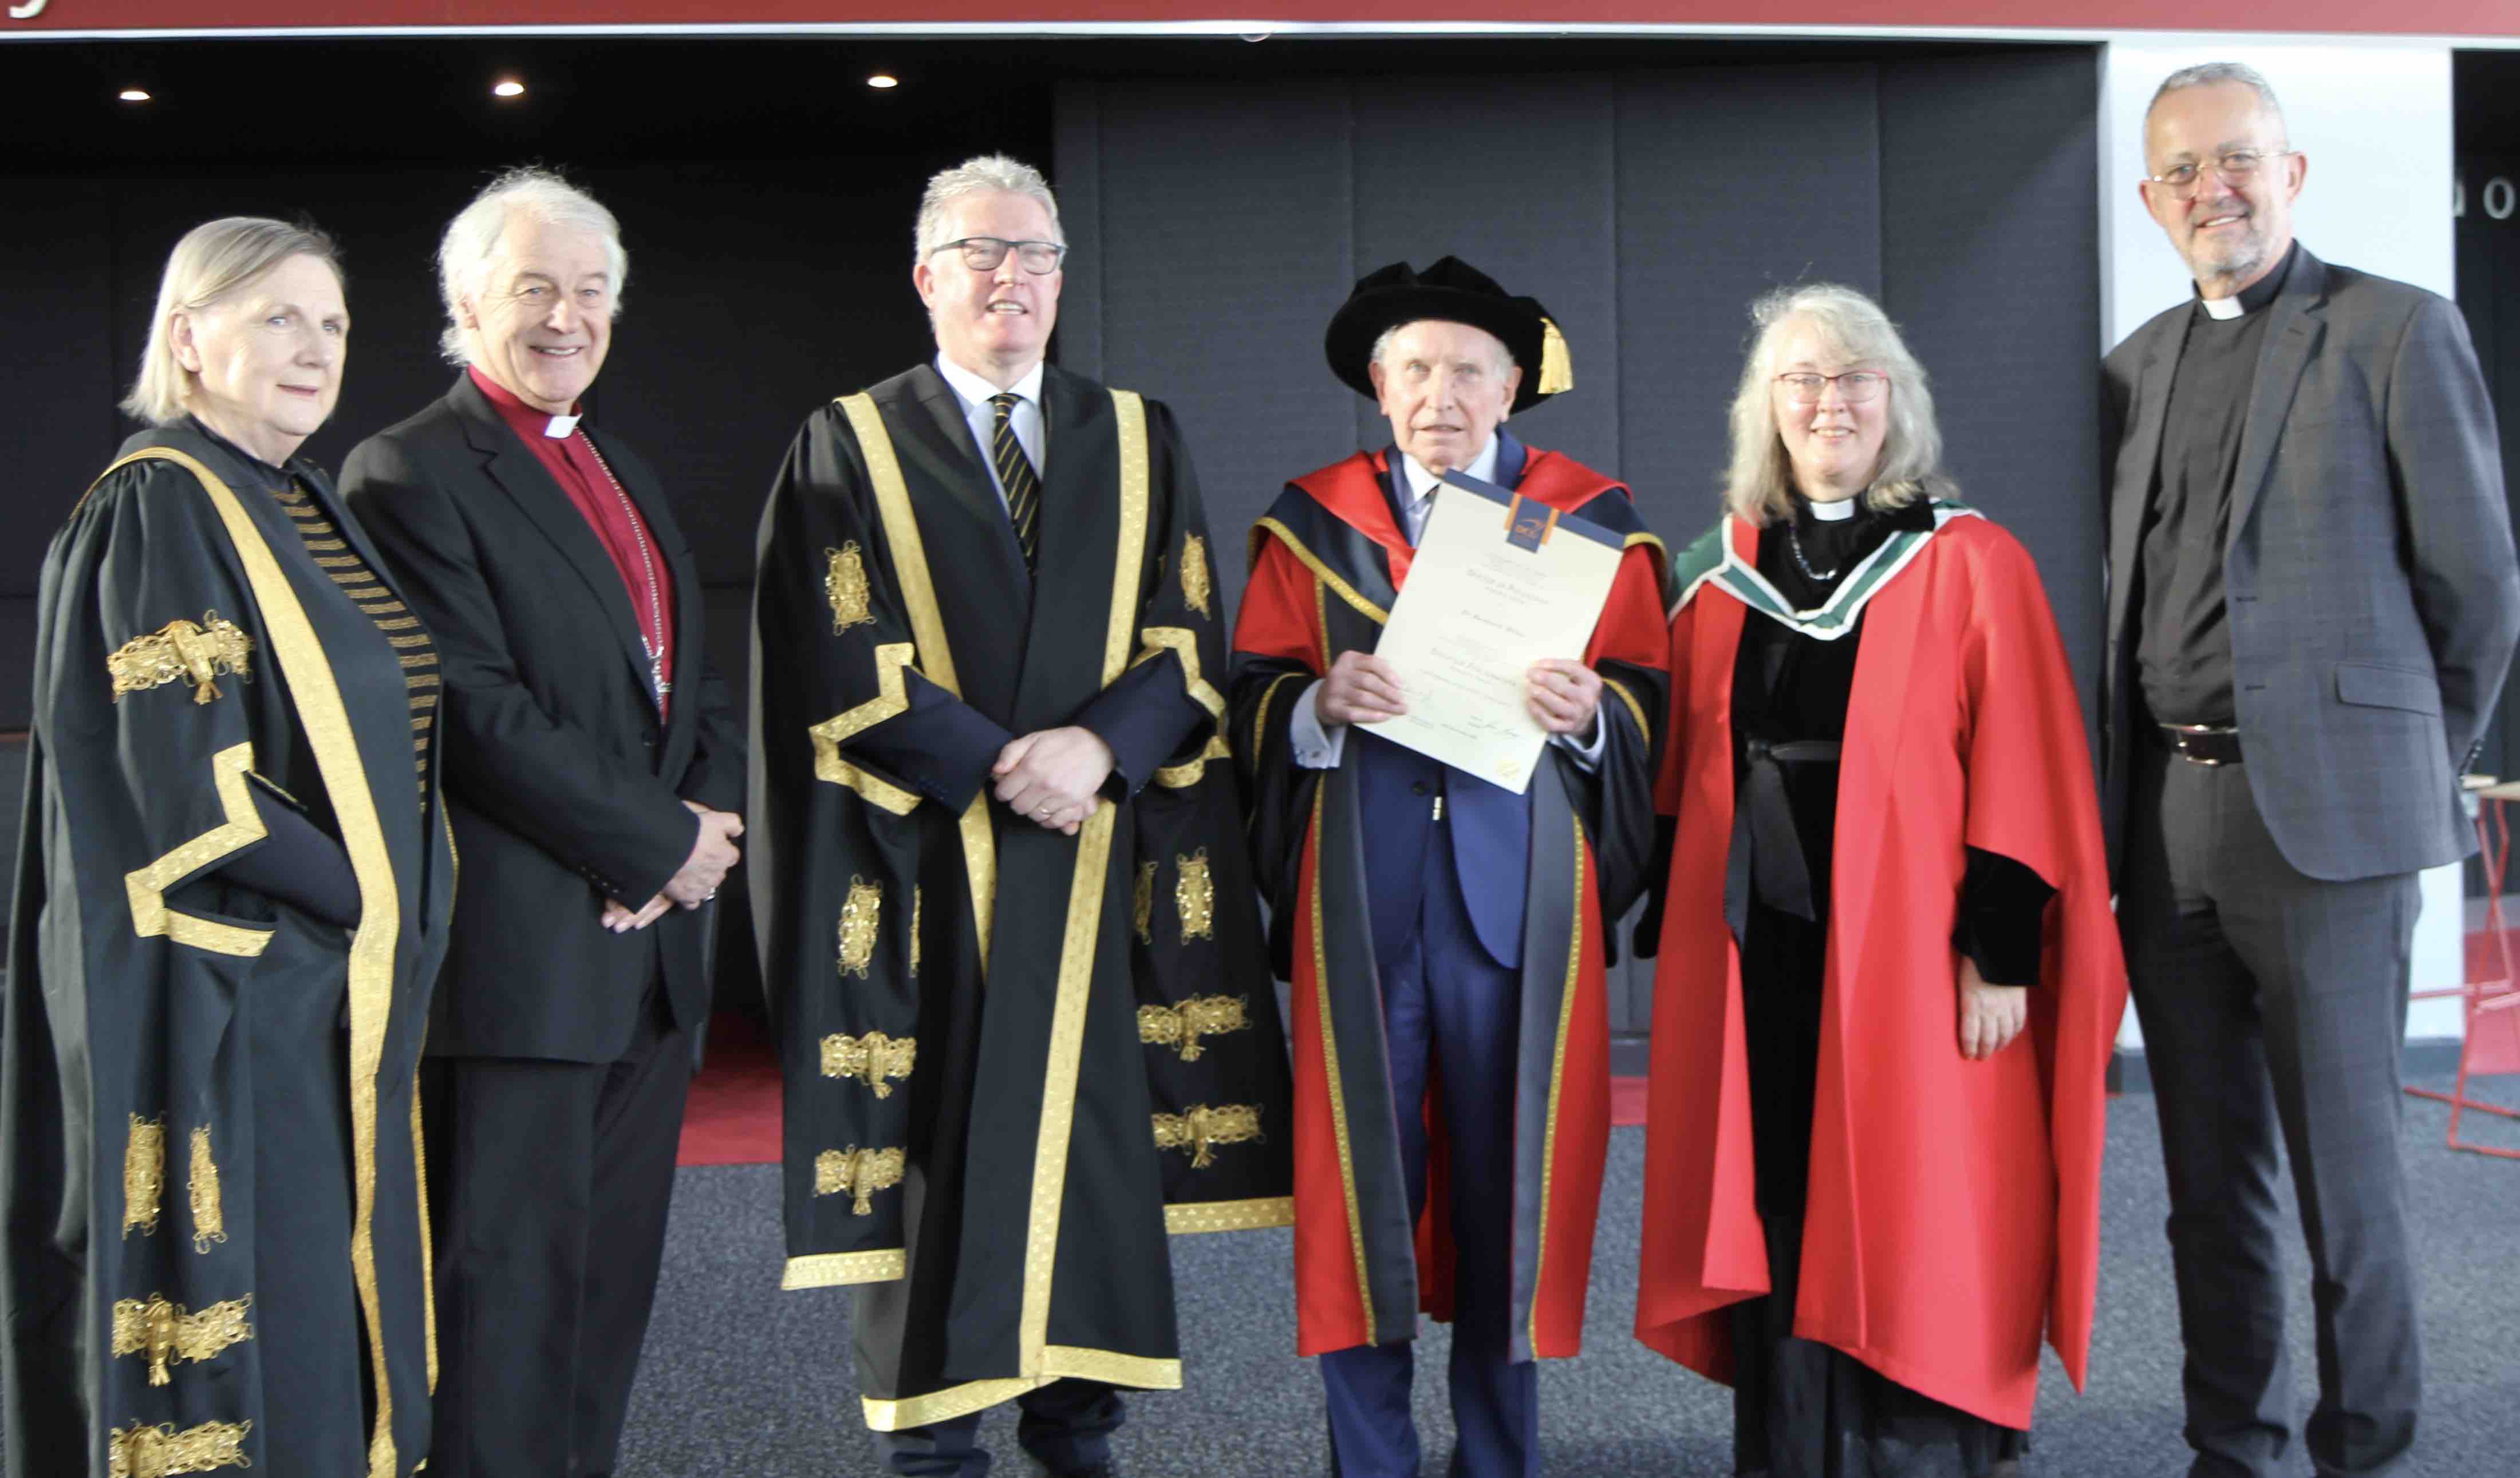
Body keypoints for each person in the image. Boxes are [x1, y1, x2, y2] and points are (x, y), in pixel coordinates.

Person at [750, 154, 1290, 1478]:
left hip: (1102, 858)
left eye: (1037, 254)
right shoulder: (848, 439)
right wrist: (1008, 765)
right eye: (985, 253)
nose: (1014, 278)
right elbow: (836, 644)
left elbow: (1187, 630)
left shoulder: (1134, 430)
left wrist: (1096, 751)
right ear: (928, 276)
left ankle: (1077, 1425)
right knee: (939, 1146)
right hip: (934, 863)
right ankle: (934, 1438)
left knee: (1096, 1143)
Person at [2101, 64, 2520, 1478]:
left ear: (2290, 174)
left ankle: (2370, 1456)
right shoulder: (2133, 364)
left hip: (2324, 828)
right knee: (2204, 1191)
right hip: (2163, 817)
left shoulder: (2396, 331)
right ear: (2147, 199)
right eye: (2179, 171)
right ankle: (2236, 1451)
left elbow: (2476, 590)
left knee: (2350, 1191)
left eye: (2235, 161)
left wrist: (2399, 760)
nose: (2208, 189)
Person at [1633, 284, 2125, 1477]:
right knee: (1782, 1184)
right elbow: (1673, 764)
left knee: (1916, 1186)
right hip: (1761, 947)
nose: (1826, 401)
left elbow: (2022, 762)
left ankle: (1914, 1444)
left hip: (1911, 946)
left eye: (1853, 377)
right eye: (1799, 380)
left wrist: (1998, 950)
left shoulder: (1967, 560)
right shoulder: (1715, 573)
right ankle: (1794, 1443)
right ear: (1765, 409)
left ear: (1893, 399)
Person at [2, 217, 453, 1478]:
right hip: (231, 997)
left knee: (330, 1306)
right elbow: (194, 789)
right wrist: (371, 900)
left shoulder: (294, 496)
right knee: (275, 1319)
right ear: (188, 338)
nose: (314, 350)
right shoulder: (159, 505)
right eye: (277, 318)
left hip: (328, 991)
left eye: (333, 324)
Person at [1228, 258, 1670, 1478]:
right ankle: (1366, 1459)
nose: (1440, 392)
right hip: (1360, 890)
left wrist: (1588, 713)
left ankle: (1496, 1459)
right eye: (1414, 368)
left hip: (1514, 896)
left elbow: (1647, 706)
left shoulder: (1590, 521)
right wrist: (1318, 701)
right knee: (1358, 1185)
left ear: (1510, 384)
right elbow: (1250, 697)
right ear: (1378, 387)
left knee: (1504, 1187)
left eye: (1467, 368)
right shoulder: (1308, 522)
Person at [338, 168, 744, 1478]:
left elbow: (689, 680)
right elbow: (467, 703)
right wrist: (653, 844)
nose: (566, 316)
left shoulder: (610, 457)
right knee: (501, 1311)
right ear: (465, 302)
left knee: (601, 1309)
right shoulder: (405, 467)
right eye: (533, 288)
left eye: (591, 290)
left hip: (645, 960)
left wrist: (706, 826)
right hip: (519, 967)